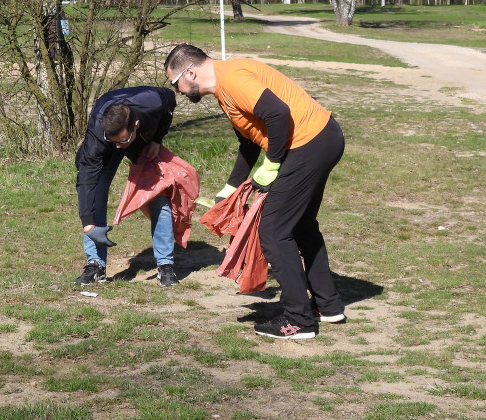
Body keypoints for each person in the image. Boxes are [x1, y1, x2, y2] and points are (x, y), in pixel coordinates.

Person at [165, 44, 346, 340]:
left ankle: (298, 320)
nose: (179, 91)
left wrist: (272, 163)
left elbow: (278, 114)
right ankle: (328, 305)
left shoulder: (233, 79)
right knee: (300, 225)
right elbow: (249, 143)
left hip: (309, 143)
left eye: (176, 83)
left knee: (273, 231)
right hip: (321, 138)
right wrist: (230, 189)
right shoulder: (225, 89)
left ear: (190, 72)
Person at [74, 86, 179, 287]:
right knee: (96, 193)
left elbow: (170, 103)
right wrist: (88, 224)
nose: (119, 147)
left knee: (159, 194)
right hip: (106, 149)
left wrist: (157, 139)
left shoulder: (153, 102)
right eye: (114, 141)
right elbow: (86, 179)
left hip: (142, 144)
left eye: (122, 141)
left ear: (136, 125)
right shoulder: (98, 137)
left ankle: (166, 266)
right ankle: (95, 265)